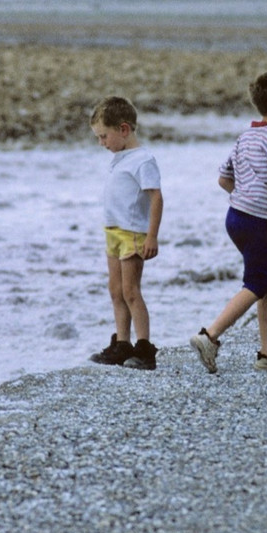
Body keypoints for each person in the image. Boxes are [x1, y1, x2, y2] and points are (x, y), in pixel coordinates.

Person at [189, 71, 267, 374]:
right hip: (254, 222)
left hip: (236, 217)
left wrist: (244, 197)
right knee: (257, 282)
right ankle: (209, 336)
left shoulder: (247, 135)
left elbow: (224, 178)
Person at [87, 96, 164, 370]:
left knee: (131, 291)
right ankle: (122, 343)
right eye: (98, 137)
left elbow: (156, 198)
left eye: (104, 136)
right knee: (116, 290)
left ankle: (144, 348)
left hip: (132, 233)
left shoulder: (143, 160)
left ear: (123, 129)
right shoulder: (120, 158)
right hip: (113, 232)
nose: (102, 143)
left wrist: (152, 236)